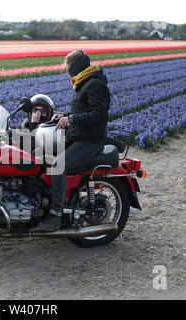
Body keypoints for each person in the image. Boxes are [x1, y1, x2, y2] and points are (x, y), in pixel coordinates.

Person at [37, 49, 111, 231]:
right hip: (77, 137)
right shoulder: (83, 83)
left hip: (89, 142)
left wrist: (71, 119)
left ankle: (55, 215)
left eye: (68, 66)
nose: (66, 69)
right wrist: (65, 115)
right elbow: (83, 112)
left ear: (76, 66)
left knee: (57, 167)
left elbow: (100, 114)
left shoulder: (94, 85)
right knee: (38, 157)